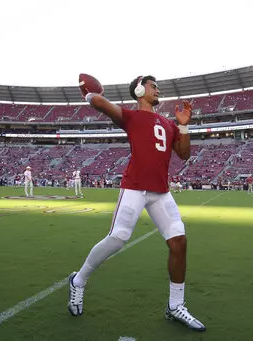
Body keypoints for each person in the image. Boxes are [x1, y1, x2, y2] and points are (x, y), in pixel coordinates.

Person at [67, 75, 205, 331]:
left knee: (179, 241)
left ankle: (175, 305)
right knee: (118, 238)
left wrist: (184, 126)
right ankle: (79, 280)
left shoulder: (168, 122)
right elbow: (100, 103)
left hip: (161, 191)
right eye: (153, 85)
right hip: (134, 188)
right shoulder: (131, 117)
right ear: (140, 89)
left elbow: (184, 154)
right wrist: (88, 93)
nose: (157, 89)